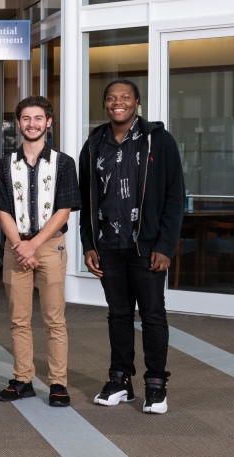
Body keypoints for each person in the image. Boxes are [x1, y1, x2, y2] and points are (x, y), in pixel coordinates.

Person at [80, 79, 184, 414]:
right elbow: (87, 198)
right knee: (118, 315)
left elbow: (174, 197)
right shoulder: (94, 143)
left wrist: (166, 245)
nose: (117, 103)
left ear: (136, 102)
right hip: (108, 245)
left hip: (147, 246)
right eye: (111, 98)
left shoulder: (159, 141)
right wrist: (89, 244)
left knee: (152, 315)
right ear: (105, 105)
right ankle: (120, 379)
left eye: (124, 97)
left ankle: (156, 385)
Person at [0, 96, 81, 407]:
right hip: (16, 247)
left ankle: (58, 383)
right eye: (26, 118)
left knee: (54, 319)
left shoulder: (63, 162)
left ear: (49, 122)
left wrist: (33, 244)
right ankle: (22, 379)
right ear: (18, 123)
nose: (32, 124)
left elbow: (64, 209)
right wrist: (20, 245)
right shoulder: (5, 164)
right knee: (19, 319)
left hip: (49, 246)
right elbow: (2, 209)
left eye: (38, 118)